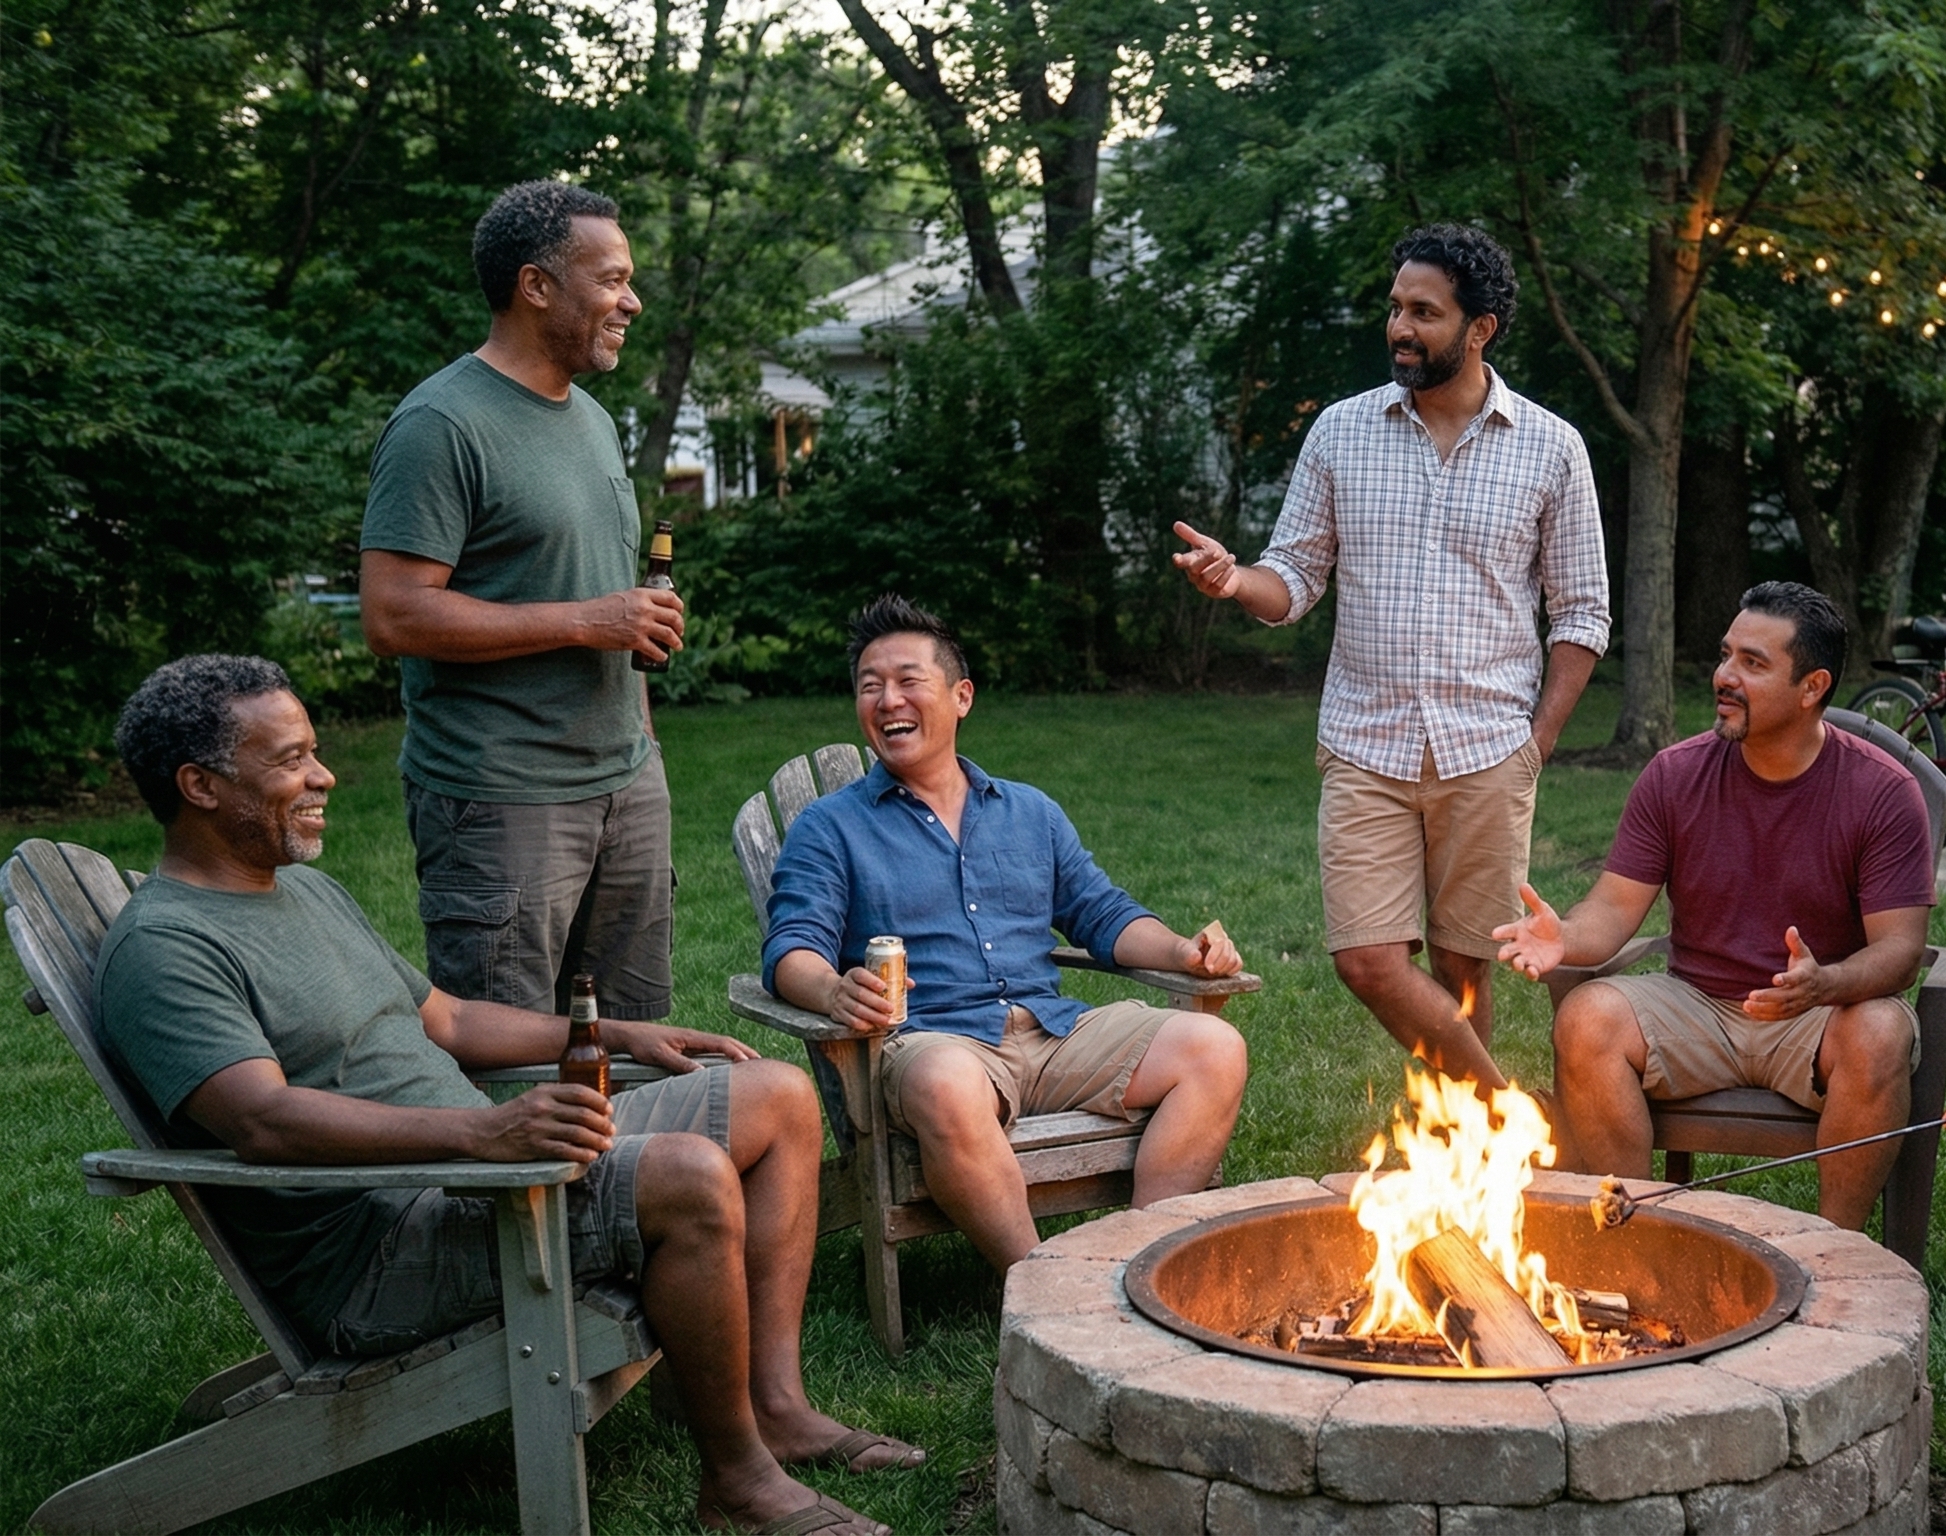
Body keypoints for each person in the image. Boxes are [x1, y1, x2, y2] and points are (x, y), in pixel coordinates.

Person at [95, 656, 911, 1536]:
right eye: (292, 760)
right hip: (381, 1246)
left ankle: (773, 1406)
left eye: (314, 752)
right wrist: (482, 1137)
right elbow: (261, 1121)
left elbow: (445, 1019)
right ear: (200, 786)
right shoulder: (167, 948)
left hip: (478, 1173)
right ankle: (738, 1485)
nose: (323, 776)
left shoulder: (304, 890)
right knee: (688, 1176)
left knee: (777, 1096)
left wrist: (613, 1035)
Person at [1170, 223, 1610, 1090]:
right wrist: (1235, 580)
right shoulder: (1342, 432)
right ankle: (1504, 1117)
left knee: (1464, 972)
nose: (1400, 328)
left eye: (1424, 312)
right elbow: (1293, 577)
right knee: (1367, 959)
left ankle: (1461, 1151)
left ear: (1480, 329)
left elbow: (1582, 612)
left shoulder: (1552, 447)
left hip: (1489, 746)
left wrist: (1538, 744)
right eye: (1396, 307)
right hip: (1364, 743)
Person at [763, 597, 1250, 1270]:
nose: (887, 700)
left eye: (908, 680)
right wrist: (830, 991)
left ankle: (1139, 1268)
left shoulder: (1029, 812)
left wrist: (1181, 952)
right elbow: (790, 948)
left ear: (961, 696)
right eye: (870, 686)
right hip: (933, 1045)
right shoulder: (829, 827)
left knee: (1215, 1048)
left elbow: (1100, 913)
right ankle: (1040, 1287)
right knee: (948, 1082)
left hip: (1052, 1033)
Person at [1492, 583, 1934, 1226]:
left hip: (1820, 1014)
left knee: (1882, 1031)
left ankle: (1838, 1250)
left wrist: (1826, 984)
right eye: (1727, 655)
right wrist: (1567, 937)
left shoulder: (1882, 791)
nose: (1725, 676)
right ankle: (1636, 1240)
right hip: (1697, 1005)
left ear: (1812, 687)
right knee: (1587, 1018)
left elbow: (1900, 950)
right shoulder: (1676, 775)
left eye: (1753, 663)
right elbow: (1613, 909)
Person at [359, 180, 685, 1026]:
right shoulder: (441, 423)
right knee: (516, 1059)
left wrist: (642, 734)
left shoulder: (593, 420)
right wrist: (586, 621)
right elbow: (392, 615)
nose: (632, 302)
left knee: (631, 1041)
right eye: (611, 280)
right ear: (535, 285)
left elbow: (604, 596)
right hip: (503, 797)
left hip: (625, 783)